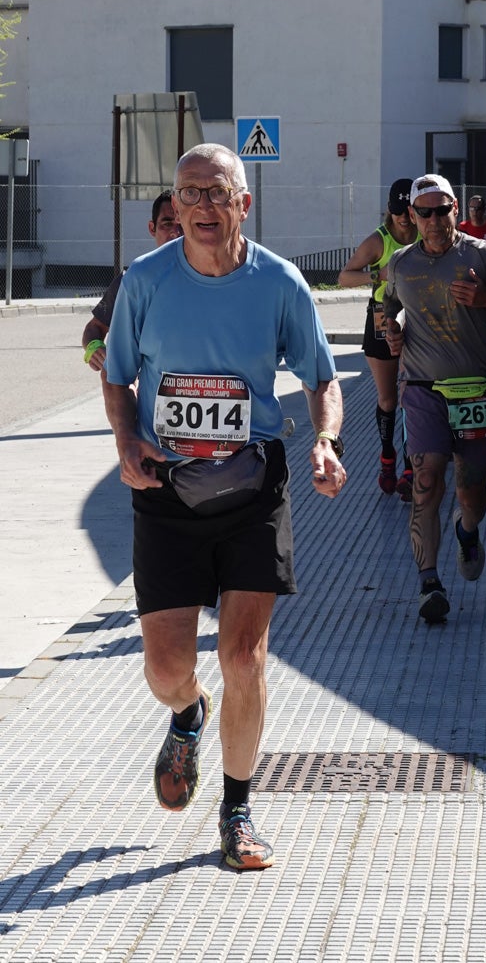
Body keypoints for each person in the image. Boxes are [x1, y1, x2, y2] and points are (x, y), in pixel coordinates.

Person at [102, 143, 346, 871]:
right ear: (172, 208)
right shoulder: (144, 281)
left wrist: (326, 442)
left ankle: (237, 810)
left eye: (217, 193)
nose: (202, 207)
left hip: (251, 488)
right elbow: (117, 379)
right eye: (188, 194)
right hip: (166, 491)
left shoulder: (280, 283)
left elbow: (322, 377)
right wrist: (125, 441)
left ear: (245, 203)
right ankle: (187, 713)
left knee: (243, 657)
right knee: (164, 667)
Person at [382, 173, 486, 624]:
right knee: (427, 479)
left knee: (472, 492)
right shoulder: (400, 264)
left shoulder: (483, 255)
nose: (435, 220)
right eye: (425, 212)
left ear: (457, 209)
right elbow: (389, 306)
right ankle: (429, 582)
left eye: (443, 210)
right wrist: (390, 330)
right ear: (412, 216)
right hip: (421, 388)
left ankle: (467, 530)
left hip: (474, 389)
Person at [338, 178, 418, 500]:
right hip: (382, 316)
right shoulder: (379, 241)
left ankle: (412, 466)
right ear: (389, 210)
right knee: (388, 399)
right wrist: (378, 274)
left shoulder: (425, 232)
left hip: (417, 316)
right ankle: (388, 458)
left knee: (411, 394)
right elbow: (343, 277)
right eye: (397, 211)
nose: (402, 217)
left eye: (408, 211)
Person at [82, 191, 183, 371]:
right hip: (147, 394)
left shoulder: (213, 276)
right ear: (152, 228)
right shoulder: (132, 279)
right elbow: (94, 328)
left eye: (182, 226)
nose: (175, 233)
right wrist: (94, 349)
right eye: (167, 224)